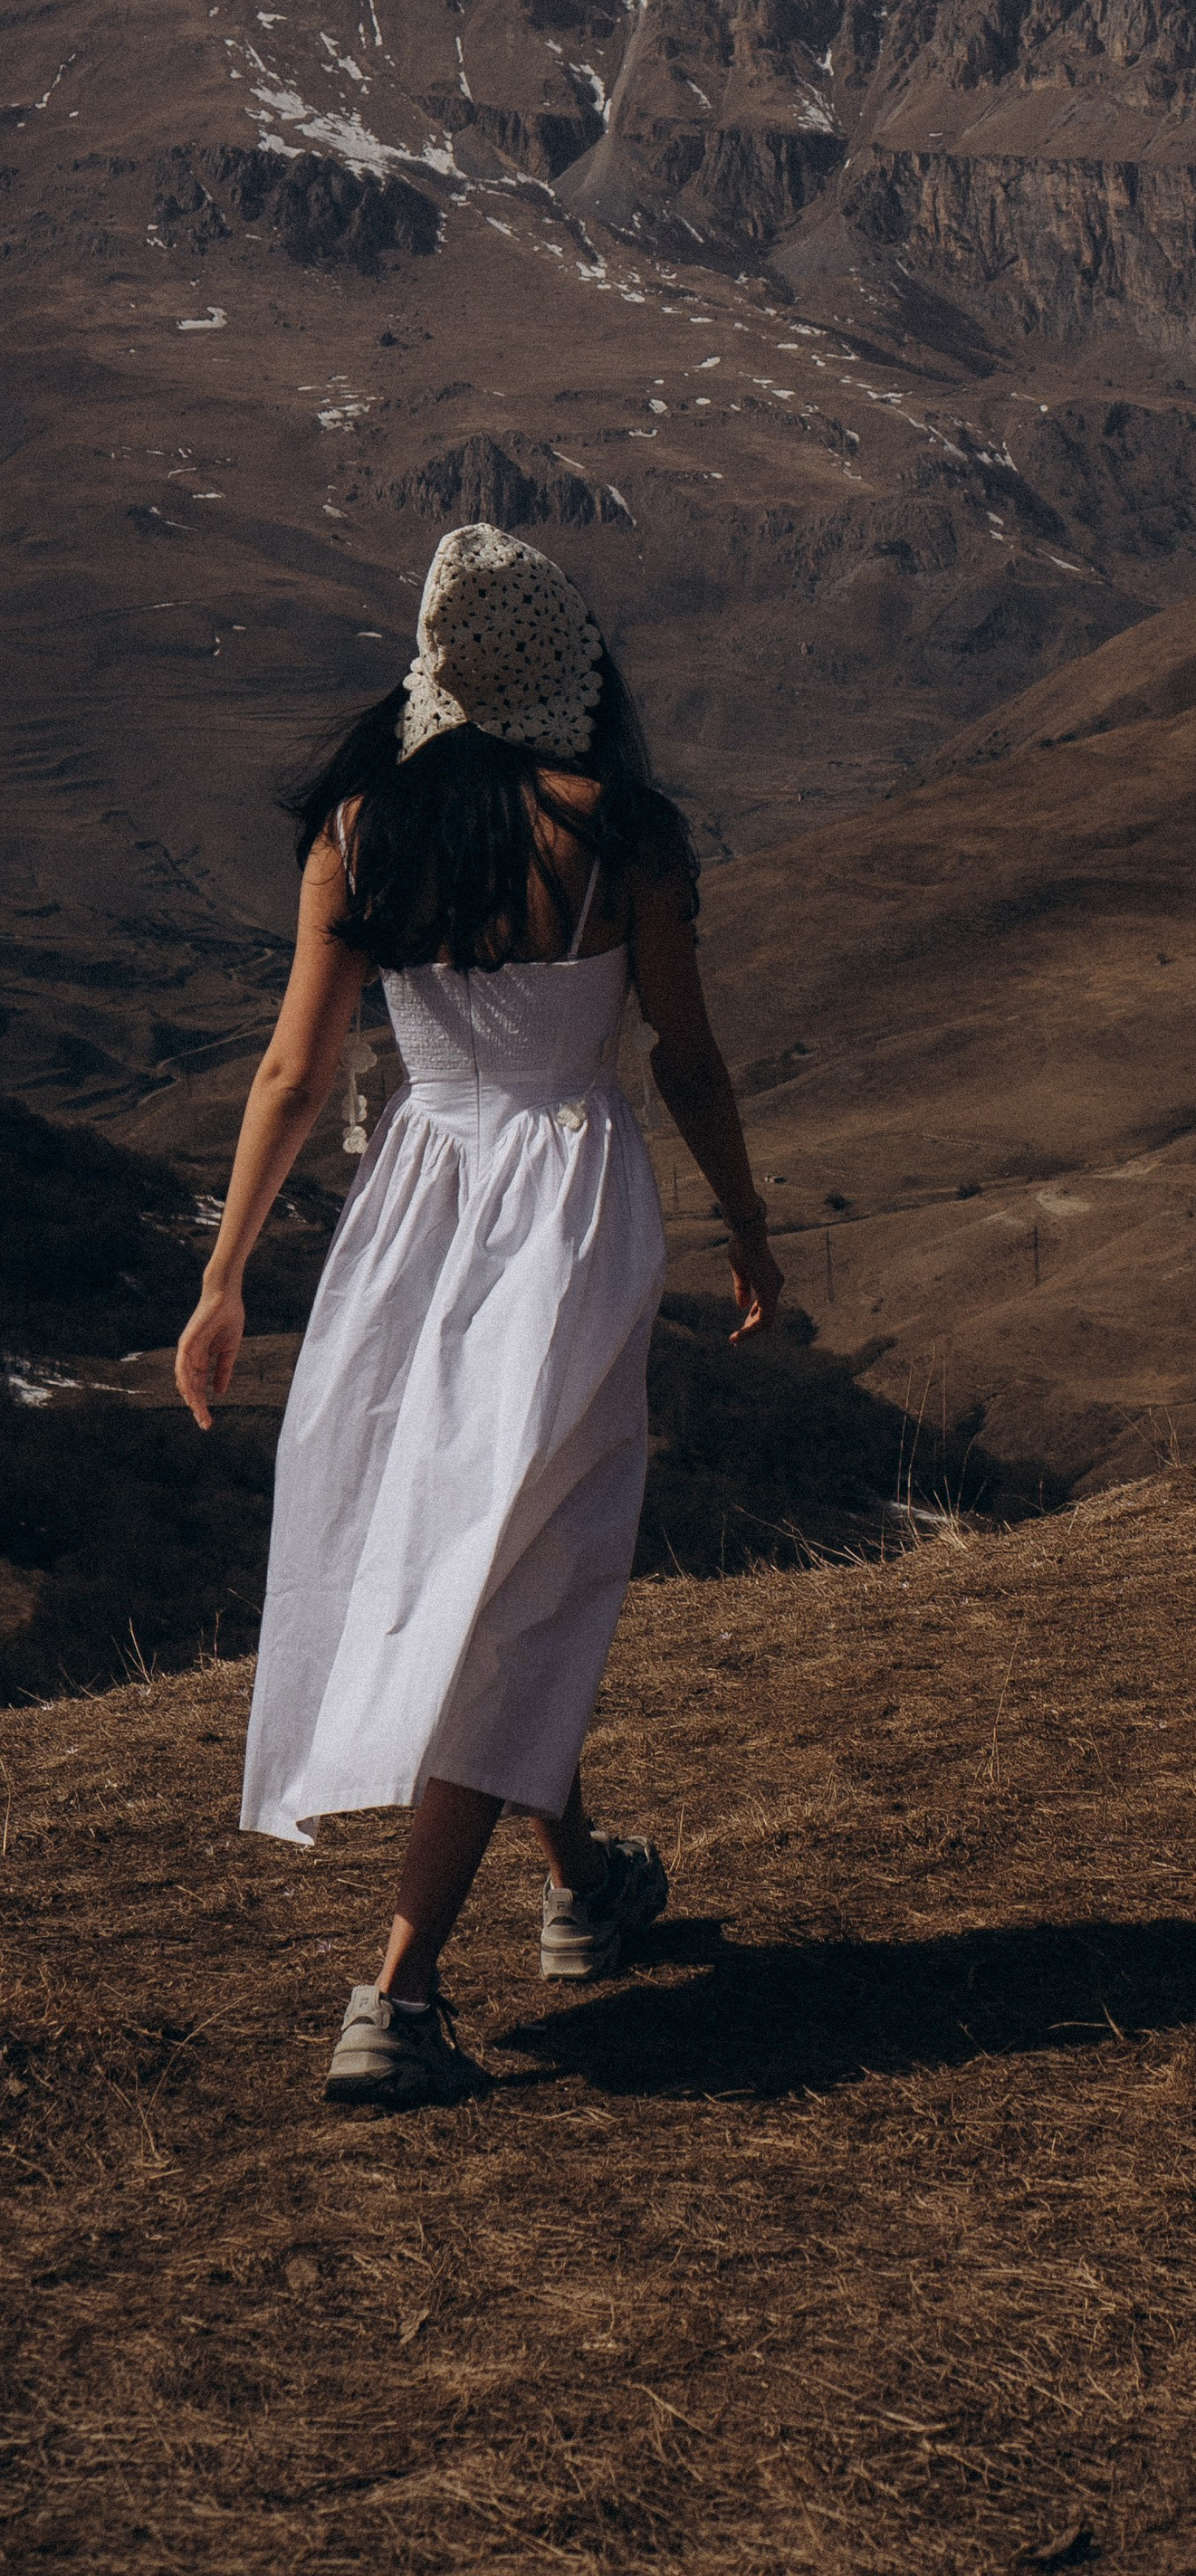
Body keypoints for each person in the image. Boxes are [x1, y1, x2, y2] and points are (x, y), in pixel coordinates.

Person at [174, 523, 782, 2107]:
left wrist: (228, 1274)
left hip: (414, 1202)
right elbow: (688, 1058)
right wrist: (751, 1222)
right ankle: (397, 1992)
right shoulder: (621, 832)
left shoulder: (362, 828)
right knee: (527, 1561)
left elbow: (296, 1073)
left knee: (490, 1542)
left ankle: (580, 1885)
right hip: (567, 1202)